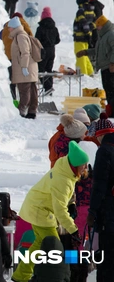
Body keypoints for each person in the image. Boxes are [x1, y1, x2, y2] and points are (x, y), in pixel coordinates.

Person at [11, 141, 89, 282]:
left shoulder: (65, 168)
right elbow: (60, 210)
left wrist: (71, 204)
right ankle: (51, 278)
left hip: (38, 207)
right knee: (54, 247)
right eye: (83, 165)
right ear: (76, 164)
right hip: (40, 211)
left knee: (39, 244)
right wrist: (73, 230)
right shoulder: (63, 179)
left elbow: (65, 195)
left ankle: (21, 276)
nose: (85, 168)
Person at [89, 117, 114, 280]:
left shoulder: (104, 150)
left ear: (100, 135)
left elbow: (100, 185)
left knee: (107, 261)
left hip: (109, 213)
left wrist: (93, 211)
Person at [78, 16, 114, 116]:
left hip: (110, 68)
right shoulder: (103, 36)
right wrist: (86, 52)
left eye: (98, 26)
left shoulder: (111, 34)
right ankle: (111, 110)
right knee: (108, 90)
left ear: (103, 25)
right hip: (104, 67)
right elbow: (98, 50)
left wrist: (112, 63)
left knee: (111, 90)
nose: (97, 28)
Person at [9, 16, 39, 118]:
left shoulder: (20, 36)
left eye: (10, 27)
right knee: (32, 90)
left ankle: (21, 111)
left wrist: (24, 67)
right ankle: (32, 111)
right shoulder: (22, 35)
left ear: (14, 27)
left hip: (24, 67)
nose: (9, 29)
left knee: (24, 90)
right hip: (30, 67)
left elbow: (25, 52)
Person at [35, 7, 60, 94]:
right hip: (52, 51)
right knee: (49, 70)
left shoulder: (40, 28)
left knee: (40, 70)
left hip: (43, 51)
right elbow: (58, 40)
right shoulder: (54, 28)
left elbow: (36, 40)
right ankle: (49, 88)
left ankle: (47, 87)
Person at [73, 0, 96, 76]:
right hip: (87, 38)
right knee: (85, 54)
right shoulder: (91, 11)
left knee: (80, 55)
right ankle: (90, 72)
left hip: (80, 37)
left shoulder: (81, 11)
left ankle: (82, 74)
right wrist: (89, 32)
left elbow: (83, 22)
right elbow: (94, 23)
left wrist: (86, 32)